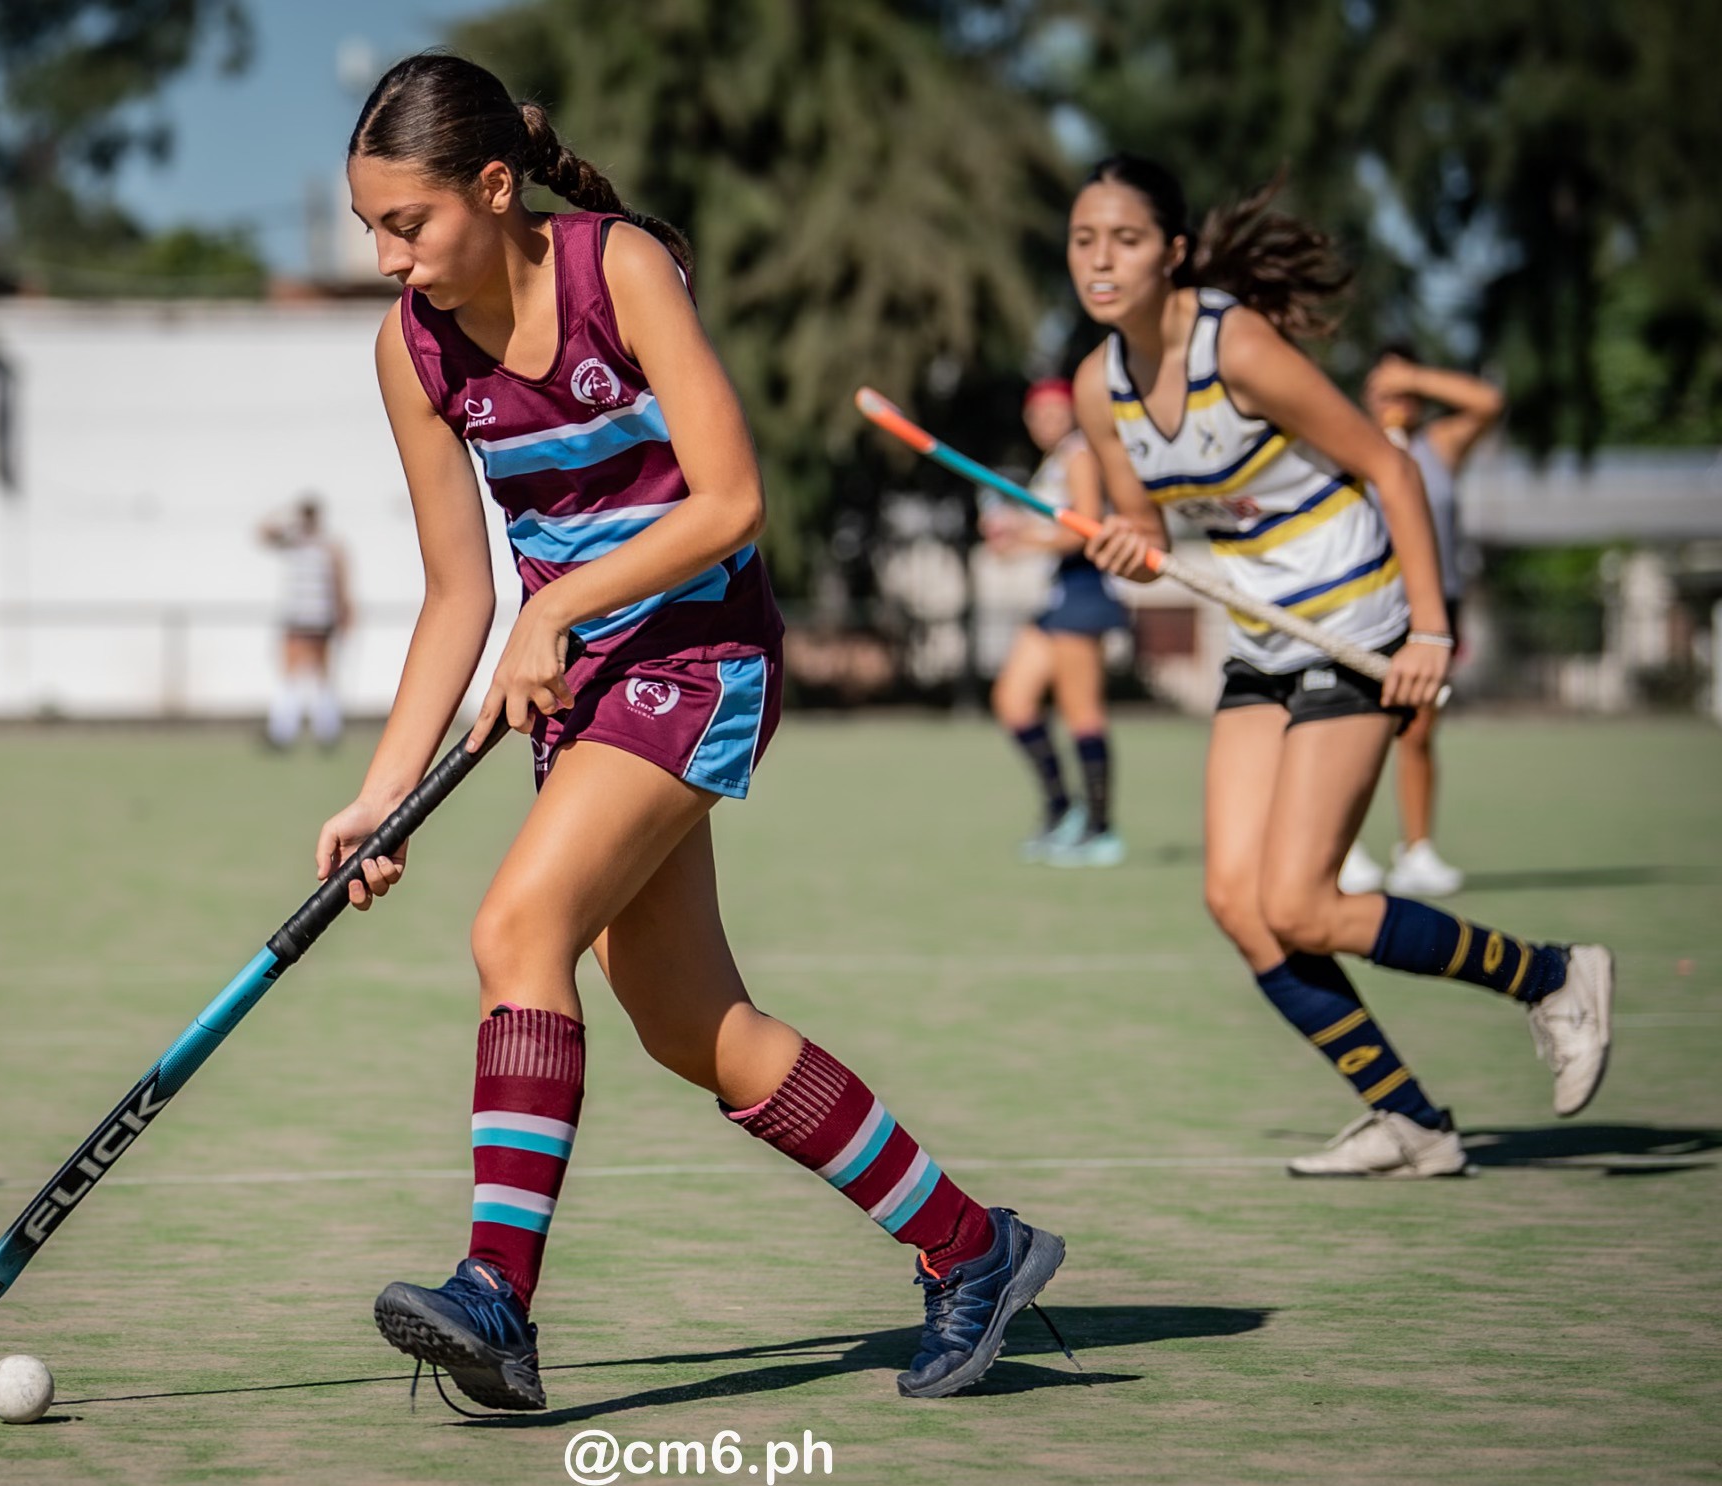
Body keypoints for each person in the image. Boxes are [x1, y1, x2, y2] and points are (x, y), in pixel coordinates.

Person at [323, 52, 1064, 1410]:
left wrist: (571, 608)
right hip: (585, 684)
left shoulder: (621, 274)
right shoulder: (412, 349)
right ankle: (974, 1246)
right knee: (688, 1020)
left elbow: (729, 500)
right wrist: (383, 790)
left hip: (699, 650)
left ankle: (498, 1296)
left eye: (407, 223)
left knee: (516, 932)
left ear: (495, 189)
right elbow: (456, 593)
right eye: (370, 226)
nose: (385, 257)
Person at [1068, 154, 1613, 1178]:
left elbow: (1390, 466)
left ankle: (1550, 976)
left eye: (1124, 239)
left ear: (1172, 253)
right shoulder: (1101, 387)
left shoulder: (1234, 345)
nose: (1098, 259)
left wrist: (1428, 632)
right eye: (1082, 239)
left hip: (1353, 616)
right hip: (1261, 634)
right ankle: (1408, 1118)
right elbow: (1146, 530)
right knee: (1236, 901)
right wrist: (1121, 543)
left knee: (1303, 904)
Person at [1338, 348, 1505, 898]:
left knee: (1418, 731)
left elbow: (1488, 402)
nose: (1398, 397)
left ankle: (1417, 850)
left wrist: (1415, 375)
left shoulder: (1439, 448)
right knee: (1352, 727)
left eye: (1406, 389)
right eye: (1385, 386)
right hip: (1365, 604)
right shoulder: (1350, 443)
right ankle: (1343, 848)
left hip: (1434, 608)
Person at [981, 378, 1129, 865]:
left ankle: (1100, 829)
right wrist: (1014, 532)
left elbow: (1085, 531)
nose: (1048, 420)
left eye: (1056, 411)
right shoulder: (1053, 462)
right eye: (1038, 413)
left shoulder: (1079, 455)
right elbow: (1051, 527)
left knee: (1081, 712)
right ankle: (1063, 809)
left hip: (1083, 593)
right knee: (1013, 700)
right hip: (1057, 595)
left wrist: (1024, 541)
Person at [260, 495, 352, 748]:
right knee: (303, 675)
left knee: (308, 675)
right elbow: (262, 532)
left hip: (313, 618)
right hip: (304, 617)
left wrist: (344, 614)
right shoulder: (302, 542)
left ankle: (296, 731)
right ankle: (316, 732)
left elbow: (341, 583)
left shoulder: (324, 547)